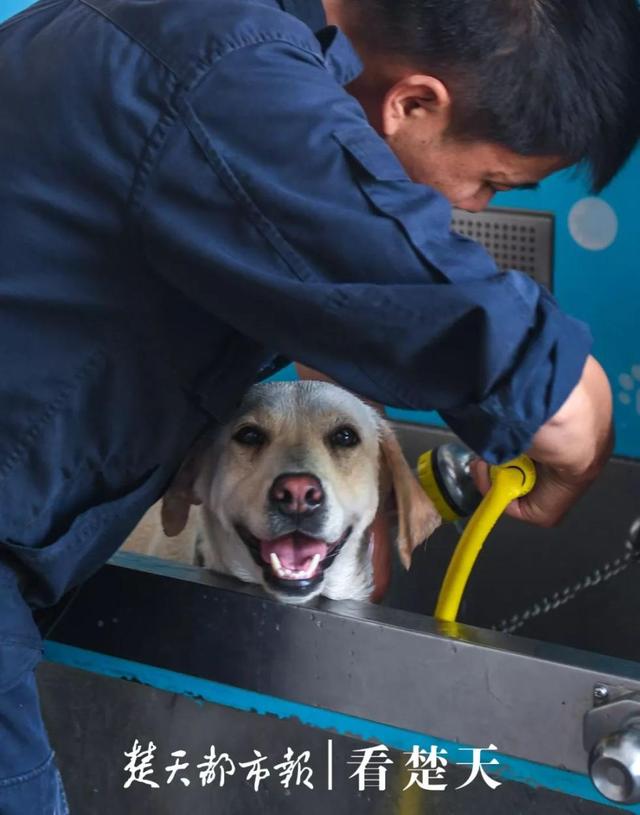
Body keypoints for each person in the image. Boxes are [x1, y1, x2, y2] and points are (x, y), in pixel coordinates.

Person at [0, 0, 637, 810]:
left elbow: (304, 269)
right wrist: (572, 406)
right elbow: (549, 398)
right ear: (412, 104)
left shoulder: (190, 34)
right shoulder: (229, 69)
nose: (472, 209)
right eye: (489, 181)